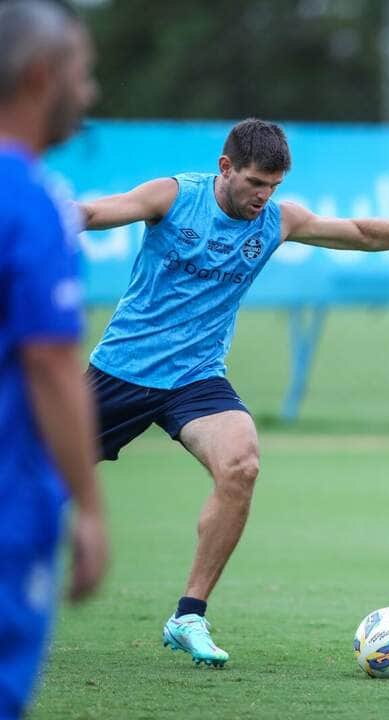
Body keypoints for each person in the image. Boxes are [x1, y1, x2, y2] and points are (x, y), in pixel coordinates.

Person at [78, 118, 389, 667]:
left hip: (195, 378)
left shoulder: (278, 222)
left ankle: (188, 614)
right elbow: (96, 213)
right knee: (31, 477)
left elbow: (356, 233)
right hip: (121, 372)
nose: (264, 196)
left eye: (274, 186)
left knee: (241, 465)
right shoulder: (174, 196)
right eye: (255, 183)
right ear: (226, 168)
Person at [0, 0, 109, 715]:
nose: (89, 92)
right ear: (43, 76)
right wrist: (91, 508)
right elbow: (49, 363)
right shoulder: (32, 198)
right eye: (83, 73)